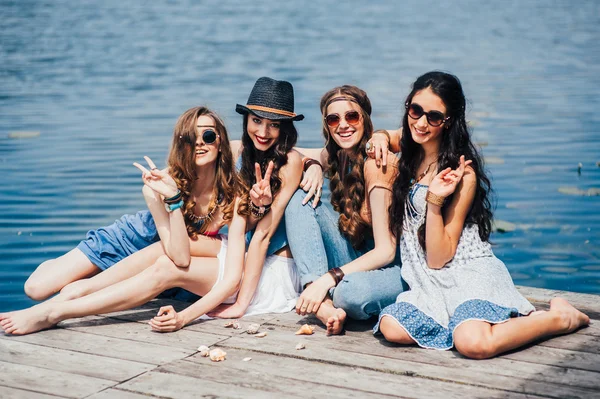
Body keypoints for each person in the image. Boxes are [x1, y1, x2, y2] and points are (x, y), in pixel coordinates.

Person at [0, 88, 303, 334]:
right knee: (36, 286)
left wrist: (312, 167)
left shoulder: (237, 186)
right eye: (191, 138)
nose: (200, 143)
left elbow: (190, 258)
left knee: (163, 264)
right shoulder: (166, 182)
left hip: (177, 245)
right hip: (138, 235)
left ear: (220, 140)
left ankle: (57, 309)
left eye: (208, 137)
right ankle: (60, 294)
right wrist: (170, 198)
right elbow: (186, 253)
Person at [376, 71, 590, 358]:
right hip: (425, 280)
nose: (422, 122)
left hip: (464, 270)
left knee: (474, 345)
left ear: (449, 121)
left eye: (434, 117)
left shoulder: (461, 174)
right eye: (415, 110)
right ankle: (463, 322)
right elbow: (393, 136)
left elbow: (439, 258)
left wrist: (435, 201)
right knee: (392, 327)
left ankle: (559, 318)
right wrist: (376, 137)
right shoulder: (411, 150)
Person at [283, 85, 404, 335]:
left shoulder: (379, 162)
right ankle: (320, 301)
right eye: (333, 119)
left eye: (351, 116)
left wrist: (329, 278)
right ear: (327, 126)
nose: (343, 125)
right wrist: (313, 164)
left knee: (351, 293)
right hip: (355, 258)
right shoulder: (338, 155)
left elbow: (387, 252)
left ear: (365, 119)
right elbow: (286, 152)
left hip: (394, 270)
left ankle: (322, 290)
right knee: (298, 198)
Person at [208, 76, 305, 319]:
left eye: (274, 125)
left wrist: (241, 305)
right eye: (257, 121)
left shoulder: (290, 163)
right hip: (244, 252)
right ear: (246, 120)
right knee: (168, 252)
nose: (263, 132)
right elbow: (245, 223)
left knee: (170, 268)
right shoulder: (241, 151)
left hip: (273, 265)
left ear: (285, 128)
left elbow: (263, 236)